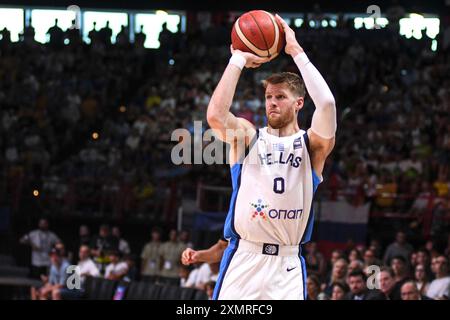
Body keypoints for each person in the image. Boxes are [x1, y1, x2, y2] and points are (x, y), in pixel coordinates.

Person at [206, 15, 336, 300]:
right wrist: (237, 59)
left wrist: (296, 51)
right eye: (268, 97)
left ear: (299, 103)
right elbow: (215, 116)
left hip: (287, 265)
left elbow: (326, 103)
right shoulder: (248, 136)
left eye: (280, 97)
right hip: (244, 257)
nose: (272, 103)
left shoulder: (311, 145)